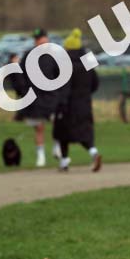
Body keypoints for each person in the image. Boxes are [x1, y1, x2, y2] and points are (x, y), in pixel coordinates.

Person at [52, 29, 102, 172]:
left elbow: (60, 86)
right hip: (85, 105)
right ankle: (94, 152)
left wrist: (59, 104)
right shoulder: (88, 62)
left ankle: (64, 162)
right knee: (85, 133)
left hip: (67, 106)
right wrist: (85, 95)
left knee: (62, 133)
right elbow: (95, 83)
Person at [18, 28, 65, 167]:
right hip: (36, 97)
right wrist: (25, 91)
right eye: (36, 39)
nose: (38, 42)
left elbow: (61, 76)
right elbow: (22, 76)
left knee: (57, 124)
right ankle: (41, 156)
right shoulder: (28, 56)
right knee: (39, 127)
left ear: (47, 39)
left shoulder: (55, 55)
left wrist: (60, 94)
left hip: (52, 96)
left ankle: (57, 147)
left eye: (41, 39)